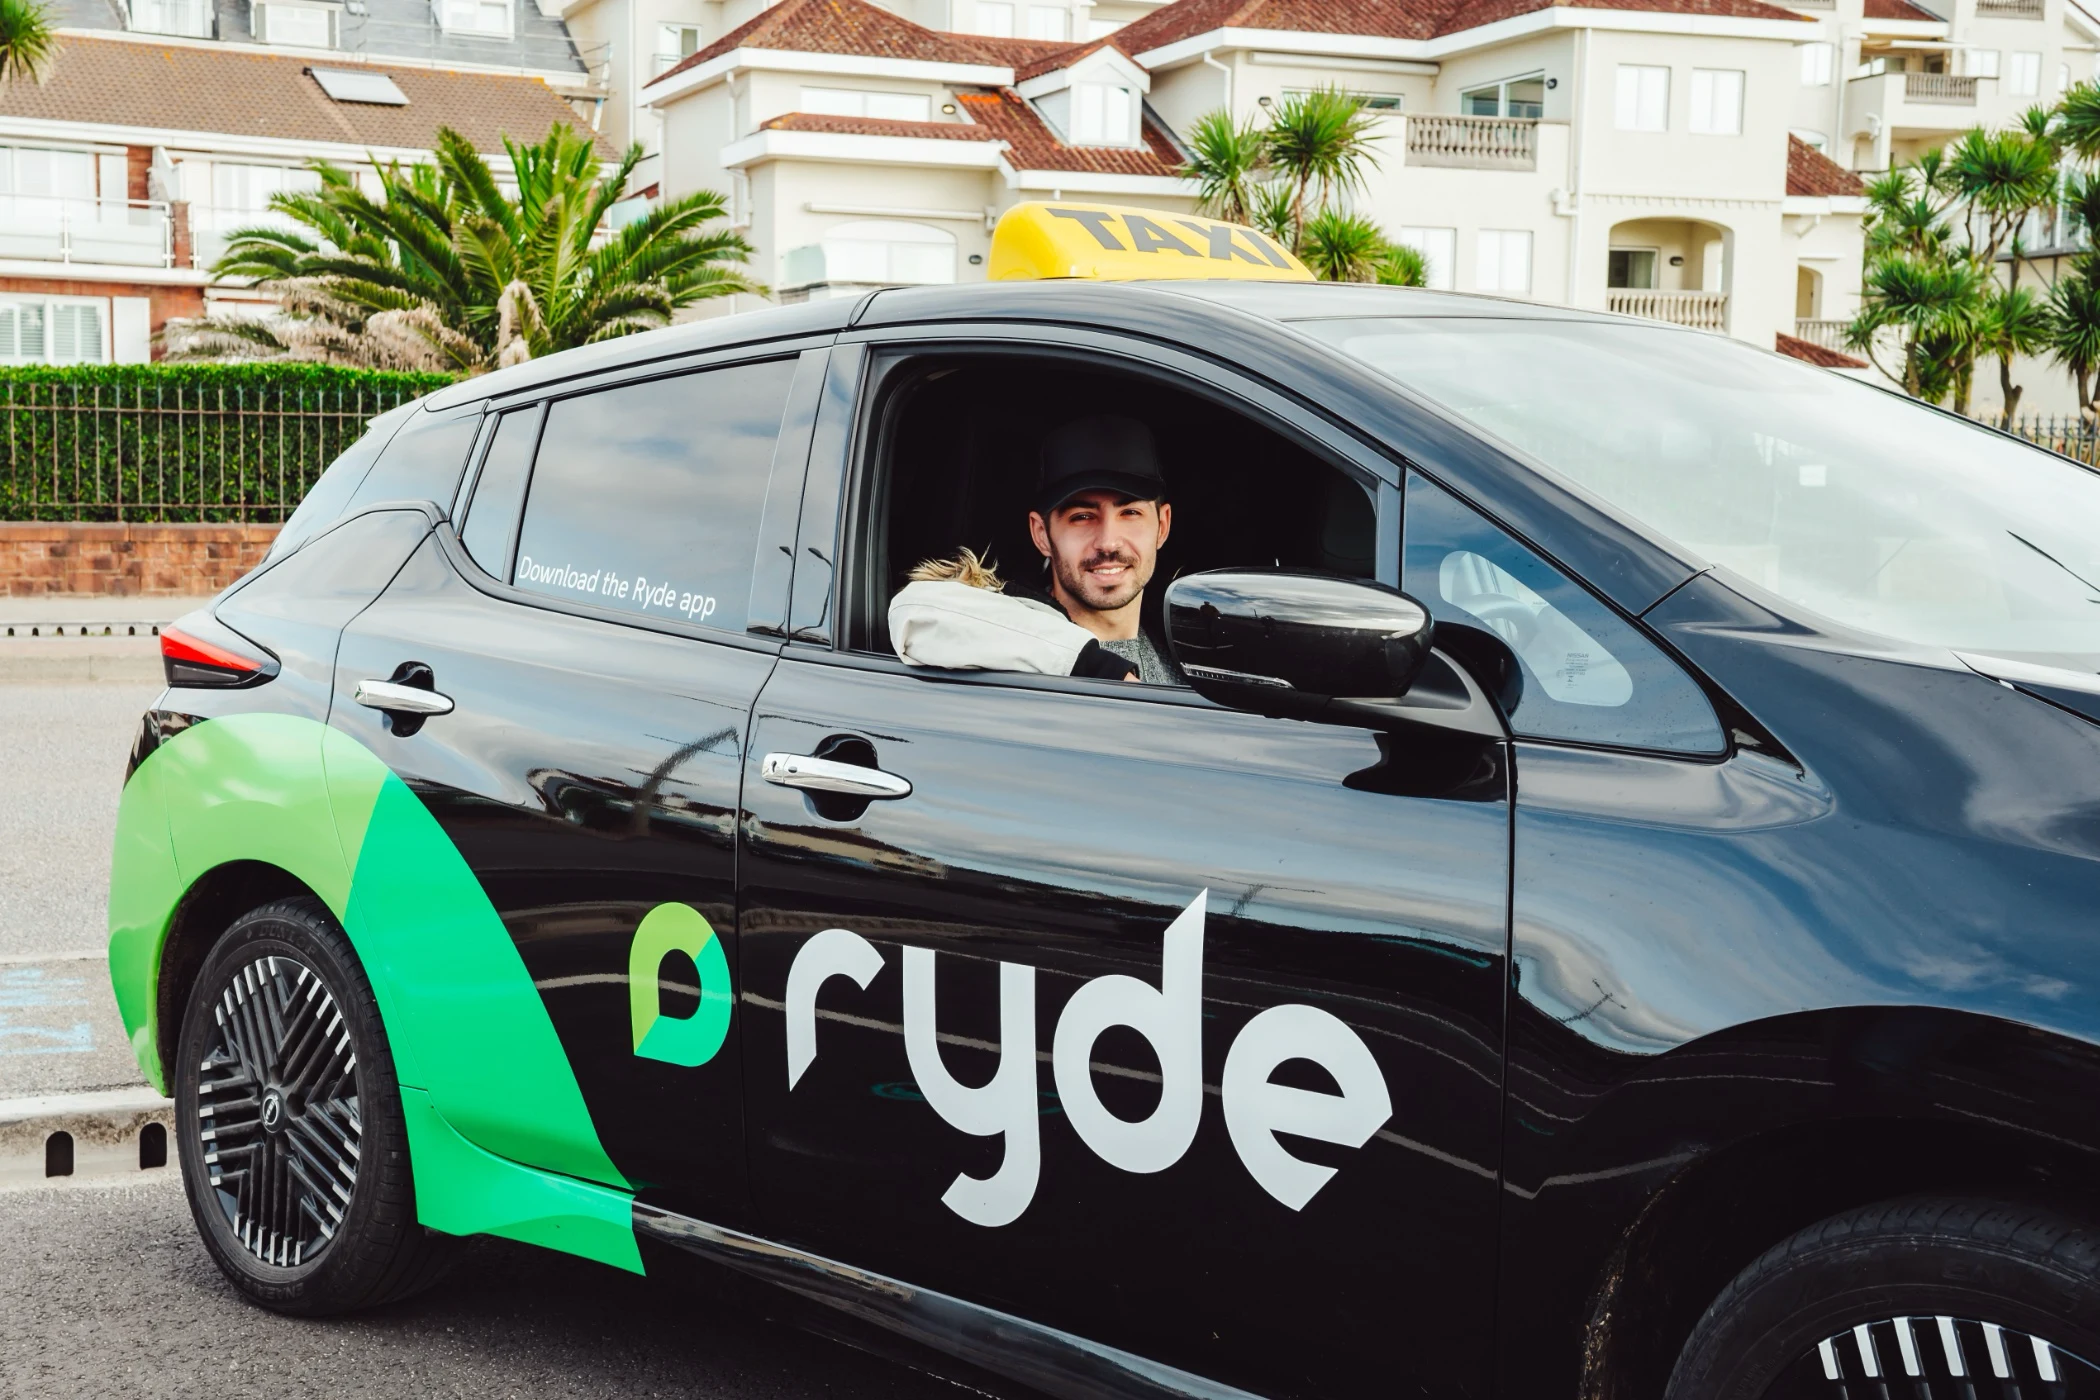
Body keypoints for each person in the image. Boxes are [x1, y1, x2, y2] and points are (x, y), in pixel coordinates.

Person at [888, 414, 1186, 685]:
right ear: (1041, 534)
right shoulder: (1004, 633)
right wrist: (1093, 666)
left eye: (1130, 513)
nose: (1108, 542)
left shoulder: (1182, 651)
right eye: (1082, 517)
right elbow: (914, 611)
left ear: (1162, 526)